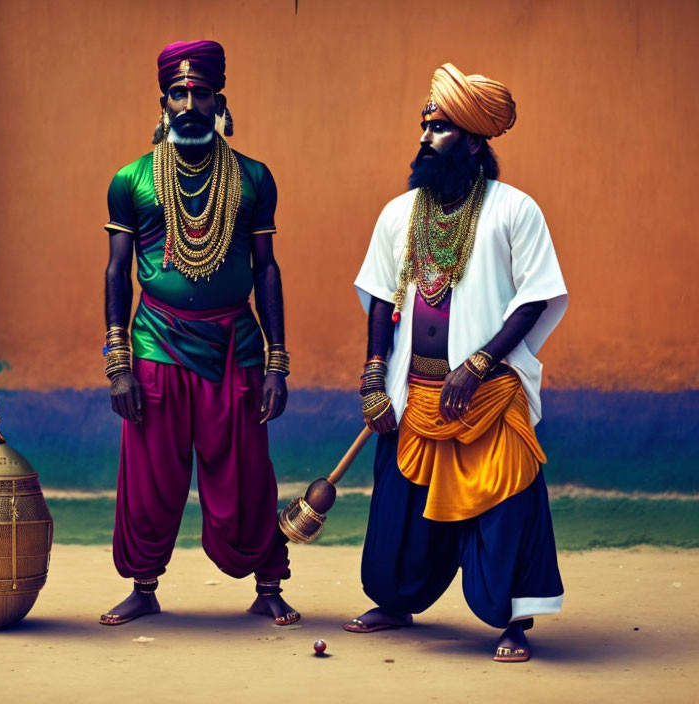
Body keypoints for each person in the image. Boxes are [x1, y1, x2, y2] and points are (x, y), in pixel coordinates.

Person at [346, 63, 568, 663]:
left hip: (489, 395)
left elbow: (538, 296)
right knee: (398, 509)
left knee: (504, 505)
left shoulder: (515, 209)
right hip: (413, 392)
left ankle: (511, 622)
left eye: (439, 128)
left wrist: (478, 365)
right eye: (423, 126)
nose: (424, 138)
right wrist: (373, 376)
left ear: (473, 140)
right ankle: (395, 601)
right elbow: (379, 298)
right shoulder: (398, 214)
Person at [100, 40, 298, 627]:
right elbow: (116, 271)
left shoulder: (254, 177)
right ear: (163, 102)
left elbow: (266, 269)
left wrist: (277, 363)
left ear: (219, 101)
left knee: (246, 472)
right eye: (179, 93)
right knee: (149, 476)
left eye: (201, 93)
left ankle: (267, 584)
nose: (190, 102)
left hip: (234, 346)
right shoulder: (131, 179)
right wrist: (118, 362)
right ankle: (143, 585)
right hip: (155, 343)